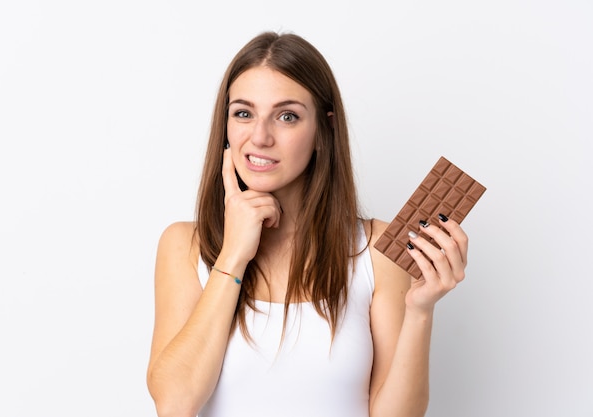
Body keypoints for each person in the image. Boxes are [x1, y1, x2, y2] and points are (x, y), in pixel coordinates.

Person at [146, 31, 469, 417]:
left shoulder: (376, 250)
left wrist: (420, 311)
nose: (260, 137)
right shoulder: (184, 245)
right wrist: (233, 255)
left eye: (287, 116)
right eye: (243, 113)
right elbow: (174, 404)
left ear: (323, 131)